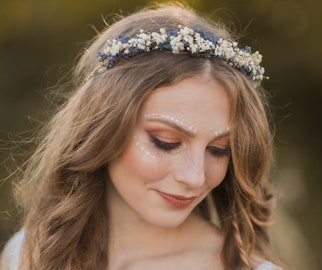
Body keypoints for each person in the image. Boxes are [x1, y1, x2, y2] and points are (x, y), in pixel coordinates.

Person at [1, 4, 282, 270]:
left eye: (219, 150)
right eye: (166, 142)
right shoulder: (28, 253)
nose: (195, 177)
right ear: (102, 129)